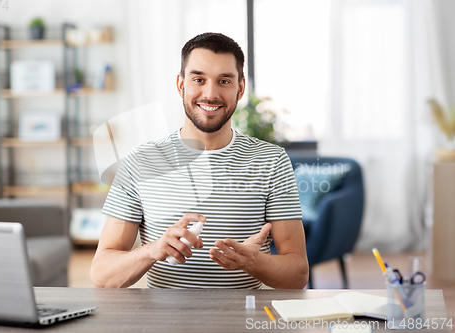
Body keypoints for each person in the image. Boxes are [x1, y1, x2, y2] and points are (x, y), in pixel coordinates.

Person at [91, 32, 308, 289]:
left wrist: (253, 262)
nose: (210, 93)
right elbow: (101, 275)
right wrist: (153, 250)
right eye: (198, 79)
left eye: (224, 81)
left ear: (240, 88)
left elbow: (298, 274)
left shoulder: (272, 161)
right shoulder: (140, 161)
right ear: (181, 85)